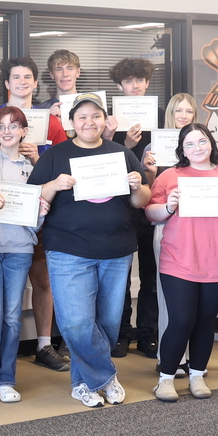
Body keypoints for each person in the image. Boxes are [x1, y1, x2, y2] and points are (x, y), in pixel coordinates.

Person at [28, 92, 150, 408]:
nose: (89, 122)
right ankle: (105, 377)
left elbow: (142, 201)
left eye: (95, 116)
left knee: (108, 323)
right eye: (82, 116)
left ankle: (84, 382)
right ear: (72, 122)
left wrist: (139, 185)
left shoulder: (121, 154)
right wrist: (55, 184)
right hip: (69, 250)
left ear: (104, 120)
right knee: (75, 323)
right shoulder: (55, 156)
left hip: (117, 250)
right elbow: (31, 197)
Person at [145, 123, 218, 402]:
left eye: (202, 141)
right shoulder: (170, 176)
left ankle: (197, 374)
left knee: (206, 321)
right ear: (182, 150)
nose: (197, 148)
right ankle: (166, 379)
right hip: (178, 260)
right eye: (190, 144)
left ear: (211, 144)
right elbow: (151, 213)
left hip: (217, 260)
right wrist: (168, 206)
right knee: (182, 320)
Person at [0, 106, 48, 406]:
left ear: (24, 131)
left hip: (20, 249)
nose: (7, 132)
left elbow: (35, 213)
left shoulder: (32, 166)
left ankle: (6, 379)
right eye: (1, 126)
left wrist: (40, 215)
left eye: (13, 126)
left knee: (13, 317)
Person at [0, 56, 69, 372]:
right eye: (16, 77)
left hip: (42, 213)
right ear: (7, 83)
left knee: (43, 280)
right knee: (2, 286)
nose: (22, 82)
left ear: (36, 83)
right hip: (5, 215)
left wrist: (40, 157)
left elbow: (65, 165)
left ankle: (43, 345)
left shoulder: (51, 122)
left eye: (28, 77)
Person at [103, 57, 161, 359]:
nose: (135, 86)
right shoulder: (109, 121)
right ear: (119, 86)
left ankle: (148, 333)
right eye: (129, 81)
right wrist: (123, 143)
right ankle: (121, 333)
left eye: (140, 80)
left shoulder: (161, 116)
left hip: (154, 204)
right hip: (122, 207)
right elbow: (101, 166)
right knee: (120, 276)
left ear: (148, 82)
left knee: (151, 274)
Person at [142, 92, 198, 374]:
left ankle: (191, 359)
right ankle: (169, 359)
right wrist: (149, 172)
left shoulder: (201, 146)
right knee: (168, 296)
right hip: (167, 228)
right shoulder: (156, 146)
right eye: (179, 111)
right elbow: (148, 196)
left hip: (198, 230)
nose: (184, 116)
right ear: (170, 115)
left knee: (194, 297)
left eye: (189, 112)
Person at [38, 49, 81, 118]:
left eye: (70, 68)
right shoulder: (41, 111)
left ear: (78, 72)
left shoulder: (91, 106)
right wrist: (48, 119)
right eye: (59, 69)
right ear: (52, 74)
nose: (65, 74)